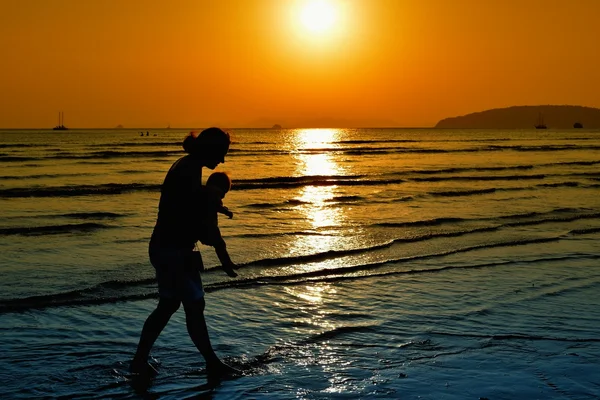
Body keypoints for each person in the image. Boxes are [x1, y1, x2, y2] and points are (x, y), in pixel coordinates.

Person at [131, 127, 239, 379]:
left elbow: (186, 207)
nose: (222, 160)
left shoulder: (187, 166)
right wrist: (215, 239)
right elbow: (188, 214)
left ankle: (139, 361)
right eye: (221, 153)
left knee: (168, 305)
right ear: (211, 149)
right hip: (174, 251)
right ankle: (212, 363)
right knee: (194, 305)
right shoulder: (189, 169)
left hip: (165, 247)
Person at [197, 171, 237, 278]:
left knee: (219, 245)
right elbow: (216, 206)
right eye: (224, 192)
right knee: (220, 245)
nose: (223, 197)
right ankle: (227, 265)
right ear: (221, 187)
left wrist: (222, 208)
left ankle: (227, 263)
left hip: (199, 226)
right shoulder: (214, 193)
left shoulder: (204, 191)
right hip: (209, 227)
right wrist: (226, 212)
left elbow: (211, 205)